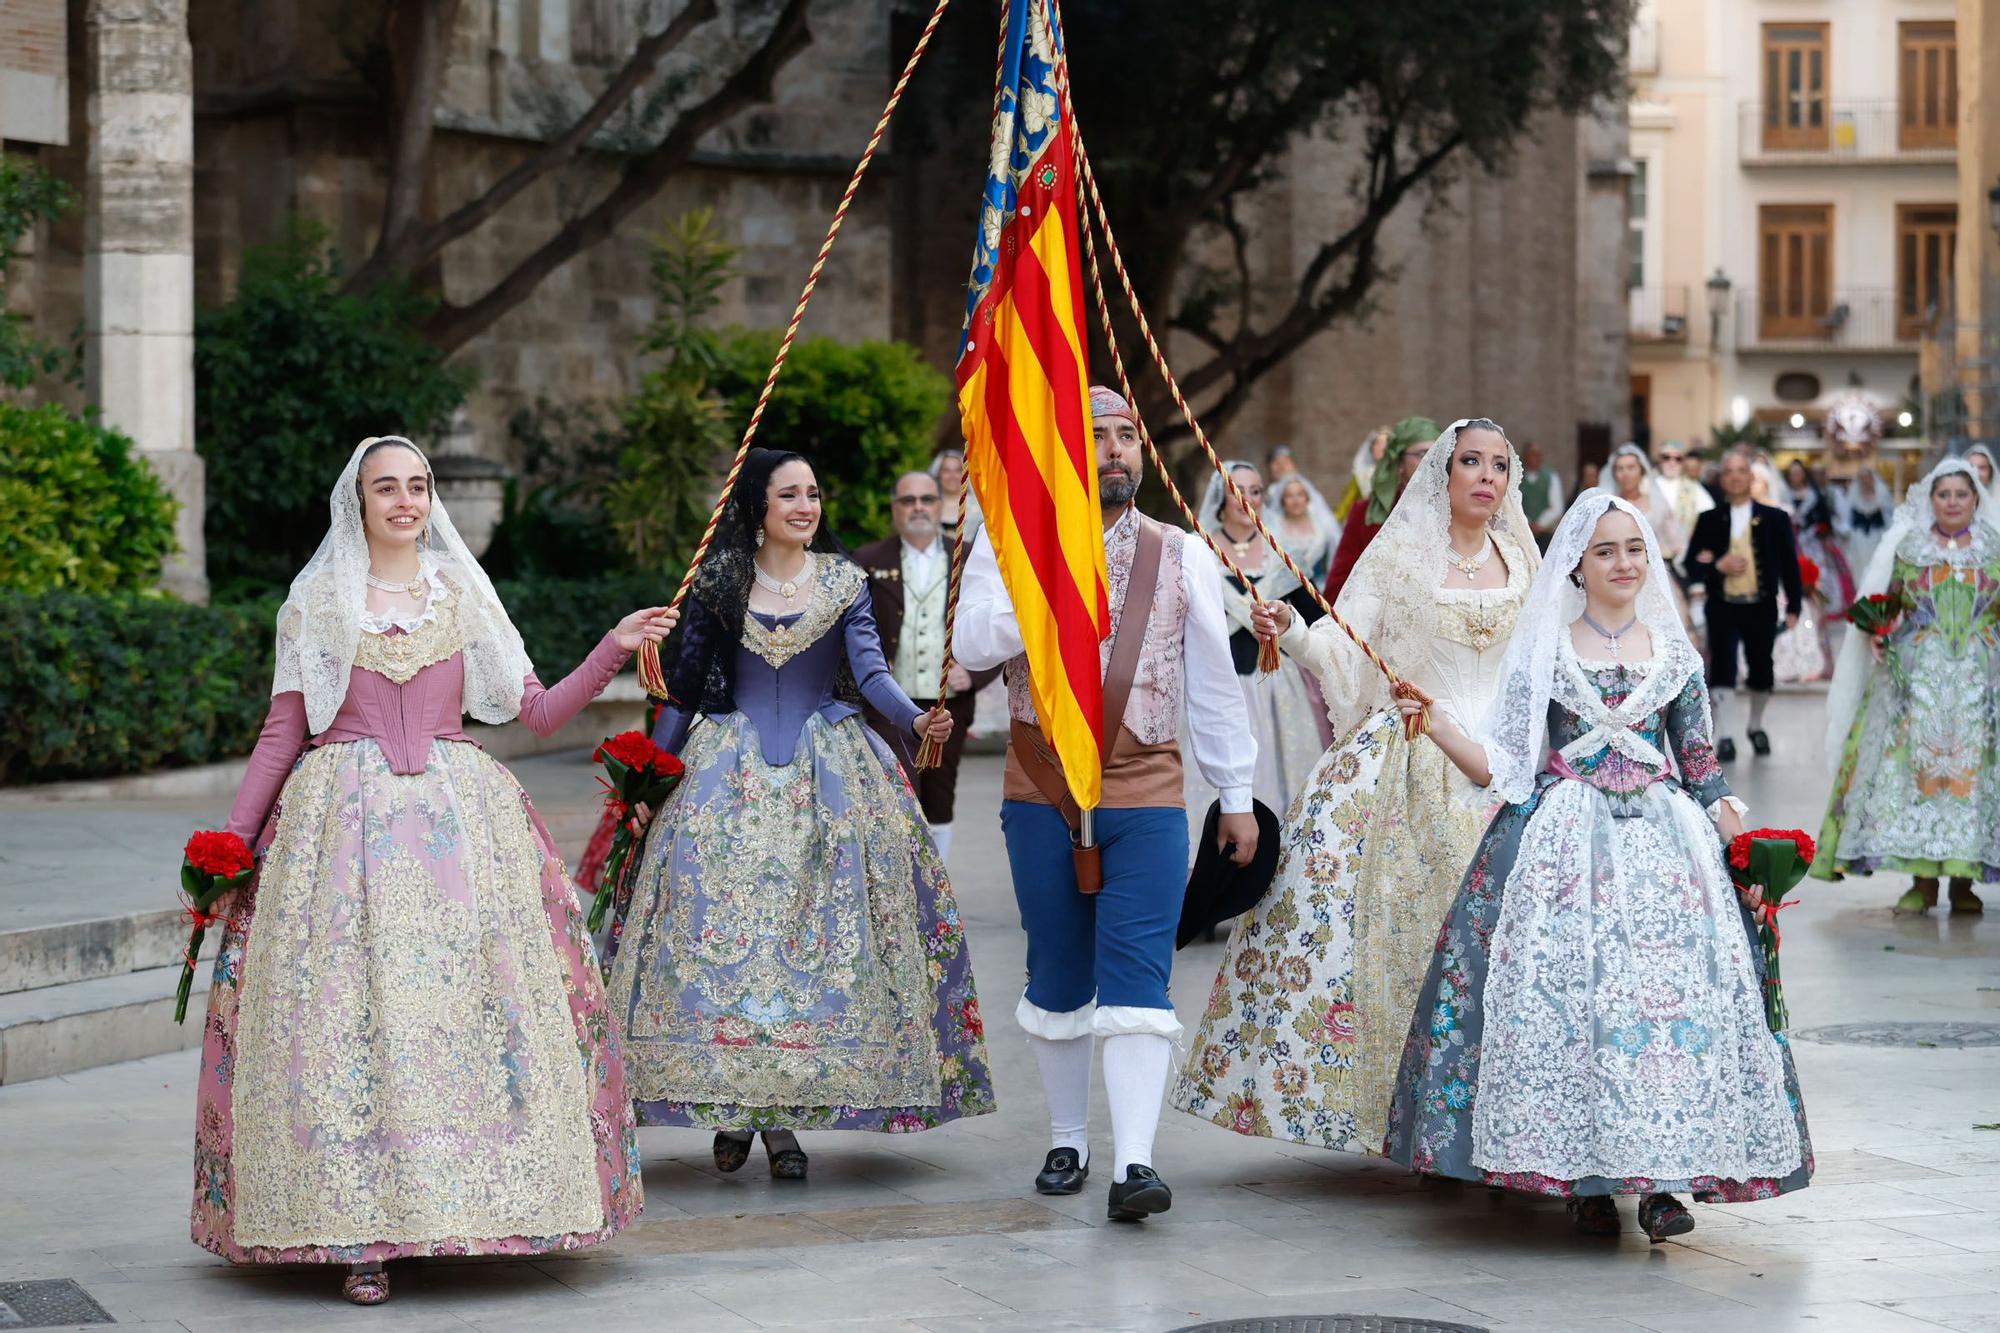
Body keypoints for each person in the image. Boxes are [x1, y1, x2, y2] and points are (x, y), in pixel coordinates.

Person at [189, 436, 668, 1304]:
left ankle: (469, 1208)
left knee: (463, 1016)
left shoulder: (462, 593)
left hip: (461, 826)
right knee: (347, 1023)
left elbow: (537, 711)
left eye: (418, 485)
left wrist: (613, 647)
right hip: (341, 829)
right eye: (387, 488)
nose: (405, 501)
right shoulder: (318, 603)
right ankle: (357, 1234)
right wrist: (231, 845)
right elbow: (281, 735)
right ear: (359, 501)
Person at [1384, 491, 1812, 1241]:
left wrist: (1745, 847)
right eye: (1606, 550)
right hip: (1562, 843)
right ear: (1577, 565)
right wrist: (1438, 725)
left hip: (1665, 846)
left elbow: (1703, 769)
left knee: (1662, 1012)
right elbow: (1506, 763)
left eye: (1635, 549)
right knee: (1573, 1007)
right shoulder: (1548, 648)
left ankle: (1660, 1183)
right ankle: (1584, 1180)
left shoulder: (1675, 653)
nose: (1623, 562)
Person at [604, 448, 996, 1182]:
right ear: (758, 506)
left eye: (814, 493)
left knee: (810, 949)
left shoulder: (845, 581)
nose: (806, 506)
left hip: (831, 783)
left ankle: (782, 1124)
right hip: (724, 783)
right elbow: (684, 691)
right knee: (726, 942)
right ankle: (736, 1107)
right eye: (790, 494)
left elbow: (872, 673)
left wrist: (917, 720)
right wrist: (646, 783)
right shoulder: (722, 580)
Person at [1173, 420, 1538, 1157]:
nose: (1486, 476)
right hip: (1405, 755)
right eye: (1471, 460)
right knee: (1400, 938)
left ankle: (1497, 1112)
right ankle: (1395, 1112)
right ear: (1443, 472)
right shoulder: (1401, 554)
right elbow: (1345, 644)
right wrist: (1294, 629)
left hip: (1497, 761)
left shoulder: (1524, 559)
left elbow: (1540, 665)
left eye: (1500, 465)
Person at [954, 385, 1258, 1223]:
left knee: (1138, 972)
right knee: (1057, 968)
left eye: (1127, 435)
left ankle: (1134, 1163)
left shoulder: (1181, 552)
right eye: (1097, 436)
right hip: (1041, 787)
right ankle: (1066, 1137)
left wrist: (1235, 793)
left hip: (1149, 788)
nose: (1116, 449)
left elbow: (1215, 685)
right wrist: (1045, 587)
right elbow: (971, 641)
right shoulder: (1012, 539)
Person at [1812, 458, 1998, 915]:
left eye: (1961, 494)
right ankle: (1923, 882)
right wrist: (1881, 634)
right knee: (1920, 777)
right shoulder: (1910, 549)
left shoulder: (1995, 549)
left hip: (1981, 683)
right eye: (1943, 494)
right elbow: (1890, 606)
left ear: (1976, 498)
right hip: (1918, 683)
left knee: (1970, 783)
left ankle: (1963, 883)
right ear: (1929, 501)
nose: (1952, 502)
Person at [852, 469, 998, 862]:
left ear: (940, 505)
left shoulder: (967, 558)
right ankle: (899, 883)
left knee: (940, 795)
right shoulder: (867, 560)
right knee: (898, 792)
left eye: (926, 499)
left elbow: (998, 621)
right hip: (889, 705)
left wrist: (977, 673)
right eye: (907, 500)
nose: (918, 507)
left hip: (947, 703)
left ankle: (938, 889)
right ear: (894, 509)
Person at [1186, 460, 1328, 822]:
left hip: (1280, 691)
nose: (1247, 499)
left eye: (1255, 491)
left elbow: (1319, 622)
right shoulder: (1198, 553)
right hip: (1222, 688)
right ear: (1221, 499)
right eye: (1238, 490)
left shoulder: (1283, 556)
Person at [1683, 447, 1802, 761]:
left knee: (1762, 668)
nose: (1735, 477)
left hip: (1761, 605)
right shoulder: (1708, 519)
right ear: (1722, 479)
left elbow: (1790, 564)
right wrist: (1716, 565)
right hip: (1722, 605)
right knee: (1723, 668)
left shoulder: (1775, 519)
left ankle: (1755, 725)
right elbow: (1690, 563)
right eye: (1729, 471)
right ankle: (1726, 735)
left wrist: (1794, 606)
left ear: (1751, 477)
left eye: (1741, 471)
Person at [1323, 416, 1438, 601]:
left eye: (1438, 454)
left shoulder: (1459, 511)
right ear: (1399, 463)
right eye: (1422, 454)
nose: (1432, 462)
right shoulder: (1364, 513)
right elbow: (1338, 587)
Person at [1269, 473, 1340, 587]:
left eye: (1300, 495)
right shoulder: (1274, 529)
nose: (1296, 501)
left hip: (1320, 588)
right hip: (1285, 590)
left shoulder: (1322, 526)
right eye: (1289, 496)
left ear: (1307, 498)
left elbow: (1333, 558)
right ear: (1282, 501)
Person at [1834, 464, 1893, 581]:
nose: (1865, 480)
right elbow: (1846, 519)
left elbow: (1889, 518)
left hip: (1878, 538)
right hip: (1858, 540)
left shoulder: (1882, 495)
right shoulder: (1852, 496)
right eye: (1862, 478)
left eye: (1868, 477)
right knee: (1858, 570)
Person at [932, 445, 983, 546]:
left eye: (958, 470)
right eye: (946, 471)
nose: (952, 476)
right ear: (938, 474)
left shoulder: (979, 507)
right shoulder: (927, 506)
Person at [1520, 440, 1565, 550]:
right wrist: (1528, 523)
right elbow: (1514, 505)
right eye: (1531, 455)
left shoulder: (1551, 477)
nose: (1535, 458)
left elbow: (1557, 507)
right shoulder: (1517, 479)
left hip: (1546, 533)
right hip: (1523, 533)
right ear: (1525, 457)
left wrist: (1540, 524)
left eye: (1538, 455)